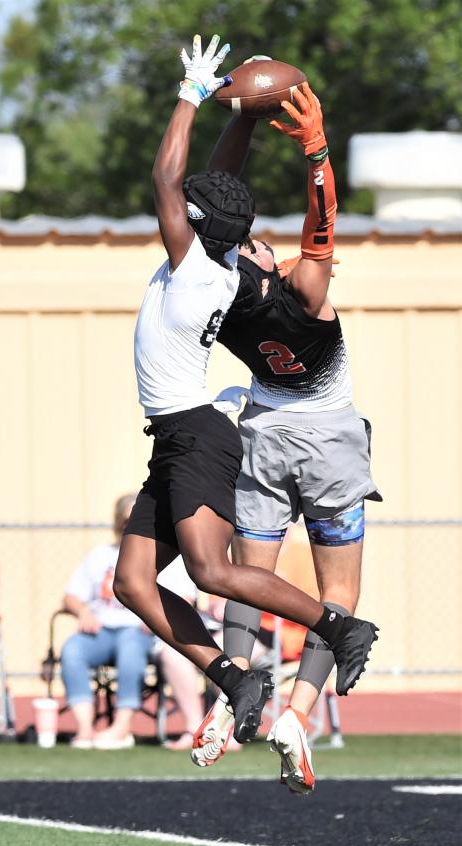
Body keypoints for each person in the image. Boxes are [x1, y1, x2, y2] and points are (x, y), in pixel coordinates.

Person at [110, 34, 380, 751]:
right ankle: (236, 679)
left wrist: (193, 97)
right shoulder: (227, 265)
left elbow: (172, 180)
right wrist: (250, 119)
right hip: (181, 436)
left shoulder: (203, 273)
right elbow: (216, 193)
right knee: (133, 583)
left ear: (196, 231)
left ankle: (335, 626)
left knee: (210, 570)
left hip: (199, 433)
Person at [189, 82, 382, 794]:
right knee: (340, 595)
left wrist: (234, 126)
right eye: (258, 244)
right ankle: (299, 713)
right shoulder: (304, 291)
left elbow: (215, 212)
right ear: (266, 267)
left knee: (248, 578)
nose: (260, 241)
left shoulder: (220, 299)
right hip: (328, 440)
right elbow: (321, 221)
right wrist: (316, 150)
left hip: (263, 434)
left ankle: (226, 693)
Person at [60, 493, 208, 749]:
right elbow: (71, 596)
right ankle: (85, 729)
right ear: (118, 522)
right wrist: (83, 612)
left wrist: (155, 618)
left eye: (137, 519)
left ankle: (121, 727)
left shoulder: (167, 555)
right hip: (101, 628)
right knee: (72, 650)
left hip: (140, 629)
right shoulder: (100, 555)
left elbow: (185, 597)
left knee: (130, 650)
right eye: (125, 520)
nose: (131, 525)